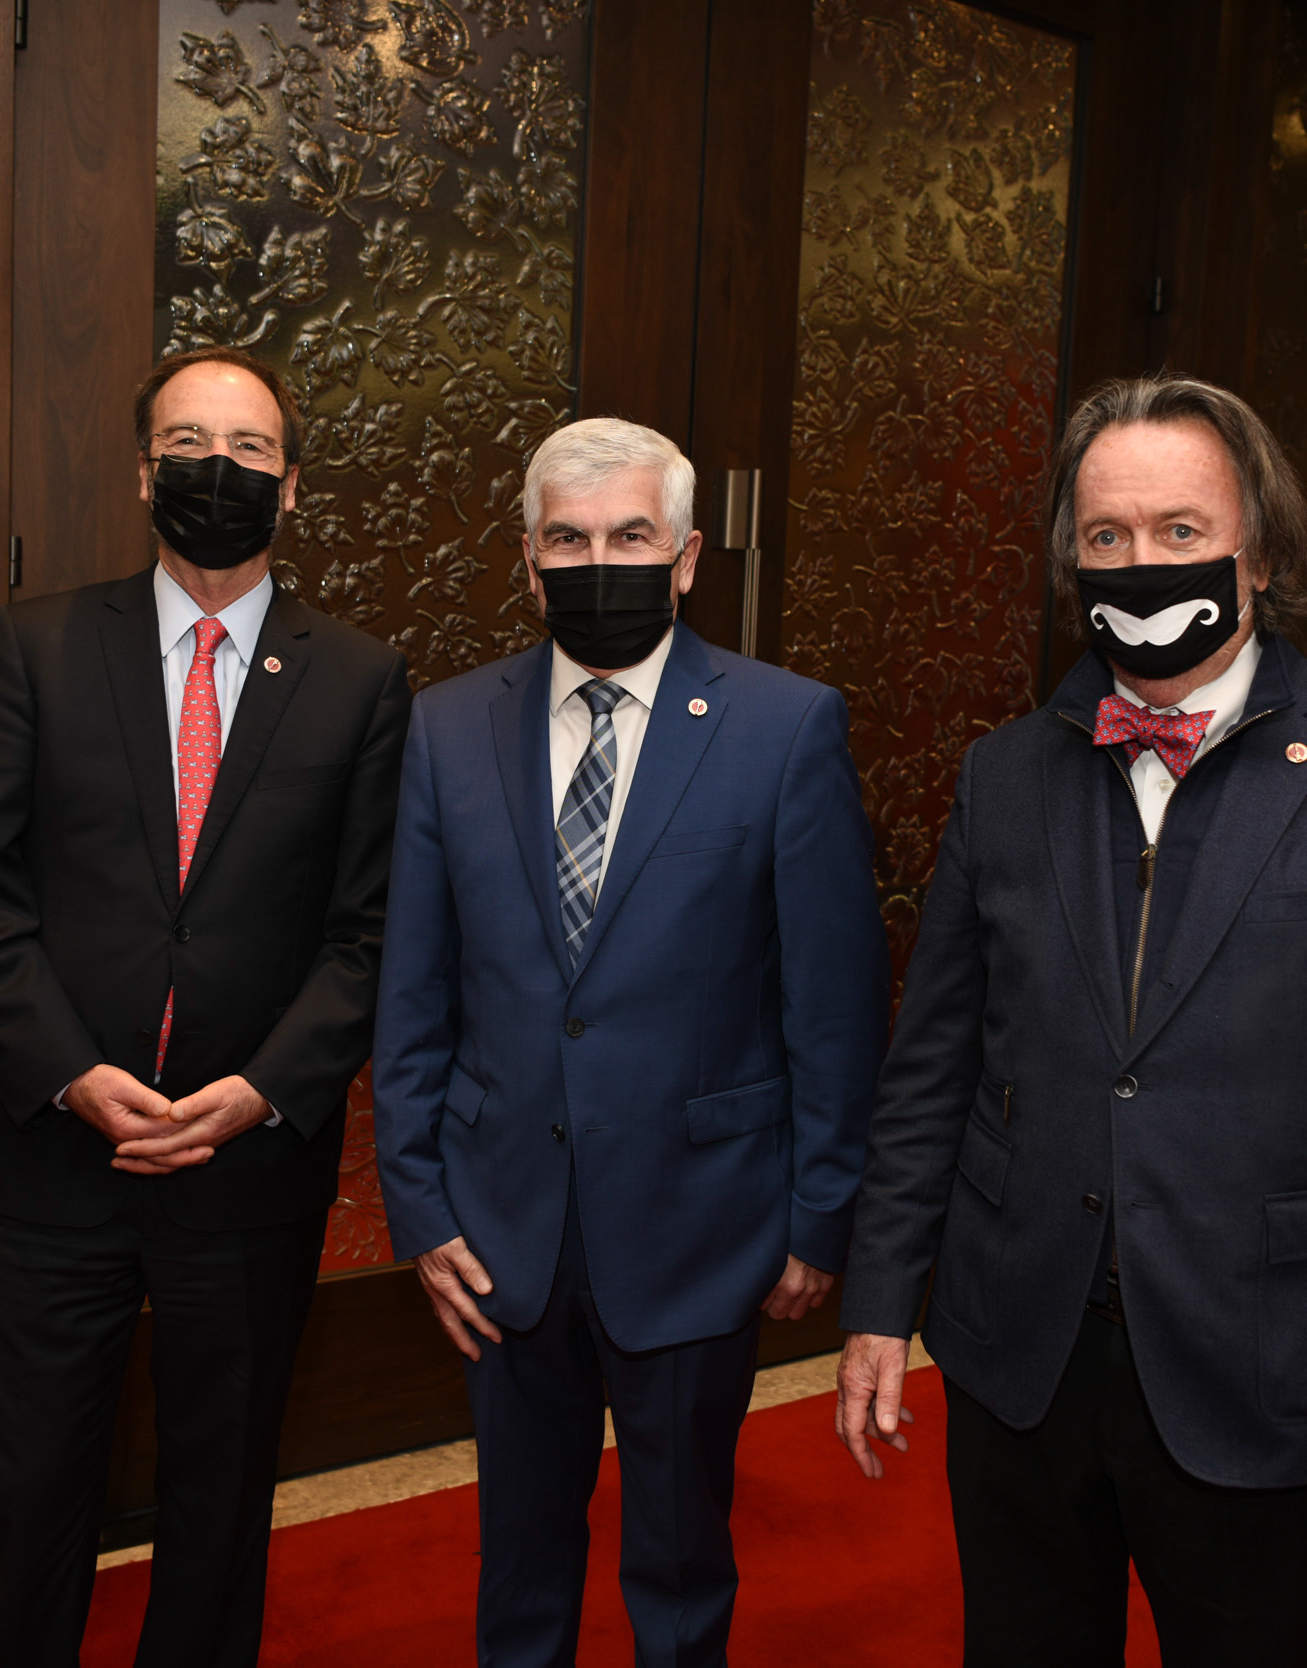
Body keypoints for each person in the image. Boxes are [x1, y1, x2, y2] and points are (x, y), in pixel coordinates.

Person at [834, 376, 1307, 1667]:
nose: (1142, 563)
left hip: (1275, 1376)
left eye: (1179, 531)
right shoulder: (1004, 774)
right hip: (1022, 1366)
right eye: (1106, 537)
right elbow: (934, 1063)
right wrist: (880, 1301)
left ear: (1259, 555)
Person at [374, 417, 888, 1667]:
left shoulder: (785, 726)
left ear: (688, 555)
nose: (597, 561)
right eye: (569, 538)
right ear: (529, 560)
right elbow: (414, 985)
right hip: (503, 1232)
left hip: (702, 1224)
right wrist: (419, 1200)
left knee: (678, 1566)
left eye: (629, 536)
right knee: (520, 1568)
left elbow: (832, 1001)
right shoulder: (446, 728)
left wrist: (819, 1216)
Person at [0, 345, 409, 1667]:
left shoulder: (363, 681)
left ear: (294, 486)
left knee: (221, 1497)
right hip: (53, 1158)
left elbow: (372, 932)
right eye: (188, 444)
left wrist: (262, 1091)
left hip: (246, 1169)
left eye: (250, 450)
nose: (219, 471)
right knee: (29, 1495)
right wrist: (75, 1075)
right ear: (145, 471)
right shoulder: (37, 647)